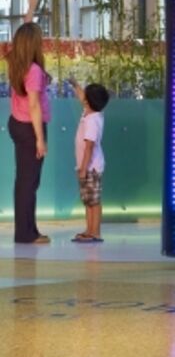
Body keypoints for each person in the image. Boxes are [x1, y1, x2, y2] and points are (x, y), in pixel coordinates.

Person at [8, 0, 50, 246]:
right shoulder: (33, 70)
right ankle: (25, 233)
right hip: (29, 127)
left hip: (18, 124)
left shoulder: (16, 60)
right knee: (28, 182)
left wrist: (31, 9)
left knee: (25, 181)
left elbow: (24, 31)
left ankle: (28, 230)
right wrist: (40, 139)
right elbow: (34, 105)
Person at [72, 82, 110, 244]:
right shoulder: (89, 112)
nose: (83, 99)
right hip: (86, 167)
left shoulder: (92, 120)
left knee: (94, 201)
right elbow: (82, 97)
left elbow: (89, 147)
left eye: (85, 97)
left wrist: (83, 168)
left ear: (89, 101)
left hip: (91, 167)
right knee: (88, 200)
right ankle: (89, 230)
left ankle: (96, 232)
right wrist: (75, 85)